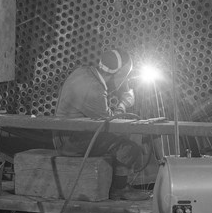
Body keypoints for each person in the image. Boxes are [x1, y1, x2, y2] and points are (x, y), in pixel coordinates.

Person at [54, 48, 148, 200]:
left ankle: (115, 183)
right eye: (125, 77)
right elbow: (112, 122)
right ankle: (120, 189)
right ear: (117, 74)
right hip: (70, 142)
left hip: (64, 134)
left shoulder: (83, 72)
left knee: (120, 138)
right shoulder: (94, 89)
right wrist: (124, 103)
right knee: (127, 145)